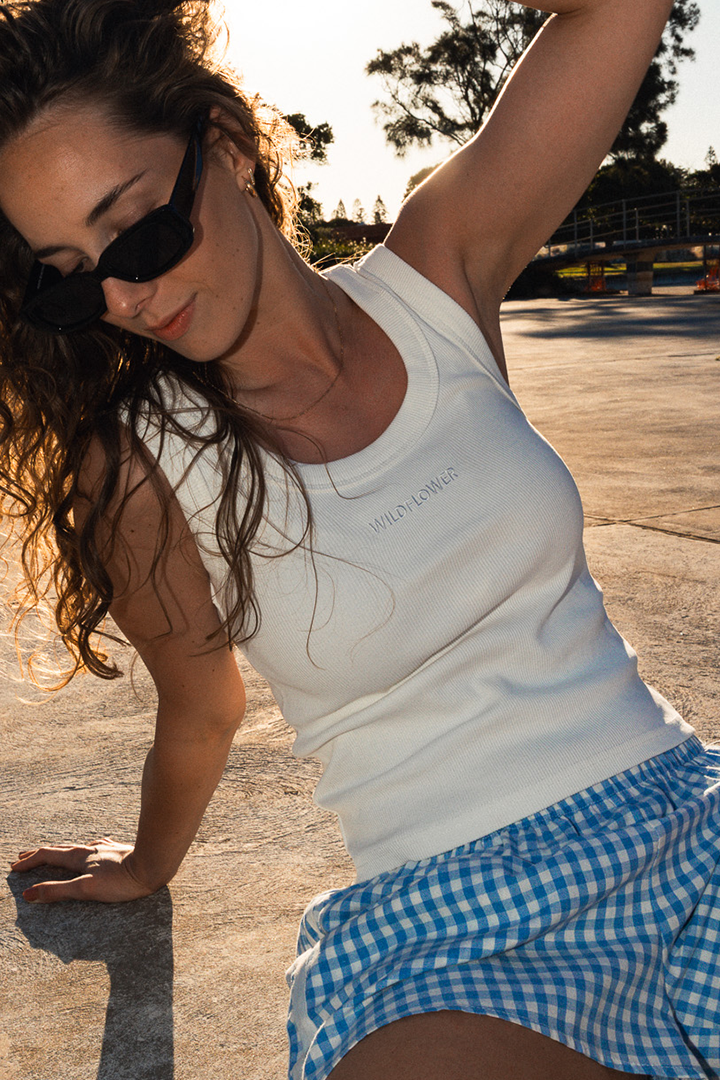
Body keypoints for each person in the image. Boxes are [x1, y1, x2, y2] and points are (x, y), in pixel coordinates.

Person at [3, 0, 718, 1077]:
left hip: (680, 817)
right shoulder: (139, 463)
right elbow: (202, 707)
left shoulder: (440, 270)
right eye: (70, 279)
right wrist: (149, 866)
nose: (123, 292)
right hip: (452, 925)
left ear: (229, 153)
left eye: (139, 229)